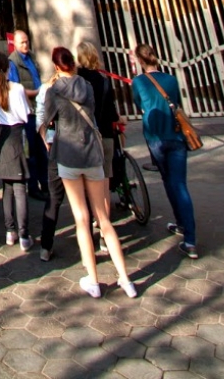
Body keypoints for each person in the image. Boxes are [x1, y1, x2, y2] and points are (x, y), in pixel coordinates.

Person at [41, 46, 137, 299]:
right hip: (93, 152)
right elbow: (93, 113)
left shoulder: (54, 90)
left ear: (56, 66)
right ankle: (125, 279)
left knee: (81, 218)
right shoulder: (88, 86)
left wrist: (46, 140)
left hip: (69, 155)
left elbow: (46, 120)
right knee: (103, 218)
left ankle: (93, 280)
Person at [132, 42, 198, 260]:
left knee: (169, 181)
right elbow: (176, 103)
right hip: (177, 136)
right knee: (180, 184)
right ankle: (188, 236)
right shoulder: (171, 79)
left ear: (140, 60)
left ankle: (183, 228)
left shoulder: (139, 81)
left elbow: (139, 104)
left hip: (156, 138)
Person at [0, 52, 33, 252]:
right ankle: (23, 234)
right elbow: (25, 114)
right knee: (20, 188)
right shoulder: (19, 89)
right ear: (8, 67)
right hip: (15, 135)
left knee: (6, 186)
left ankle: (10, 230)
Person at [76, 40, 119, 247]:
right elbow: (111, 111)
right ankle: (105, 228)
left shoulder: (76, 81)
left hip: (85, 138)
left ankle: (90, 225)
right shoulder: (103, 80)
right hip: (106, 134)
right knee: (104, 182)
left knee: (85, 182)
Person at [8, 30, 47, 200]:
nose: (25, 45)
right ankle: (33, 186)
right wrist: (37, 91)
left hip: (39, 108)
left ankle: (45, 182)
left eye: (26, 41)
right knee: (30, 150)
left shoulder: (32, 57)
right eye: (22, 42)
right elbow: (16, 89)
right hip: (27, 111)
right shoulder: (12, 62)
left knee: (42, 149)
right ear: (15, 44)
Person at [35, 67, 66, 262]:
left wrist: (45, 137)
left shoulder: (46, 90)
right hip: (78, 148)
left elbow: (41, 118)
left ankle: (46, 246)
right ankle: (91, 238)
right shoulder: (82, 87)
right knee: (84, 198)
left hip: (55, 145)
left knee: (54, 197)